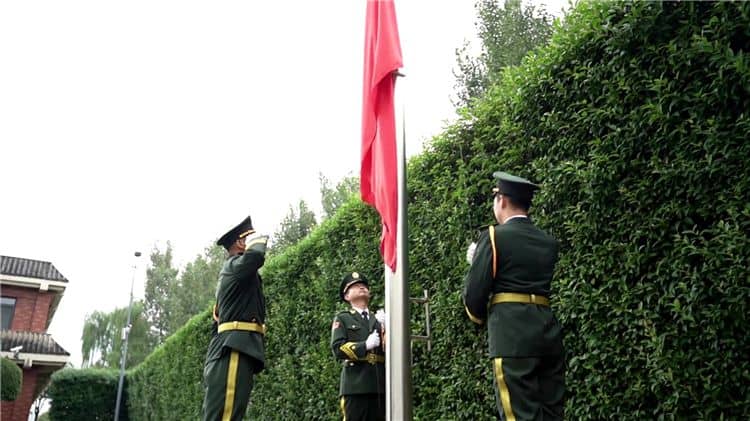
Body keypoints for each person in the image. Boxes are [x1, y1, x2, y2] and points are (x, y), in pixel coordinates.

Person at [462, 171, 565, 421]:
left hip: (511, 335)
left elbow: (475, 293)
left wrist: (478, 263)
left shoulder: (494, 236)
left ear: (503, 200)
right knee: (551, 413)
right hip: (548, 333)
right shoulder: (548, 241)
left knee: (517, 414)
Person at [202, 215, 269, 421]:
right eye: (249, 237)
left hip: (235, 345)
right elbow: (256, 255)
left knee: (231, 413)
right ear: (241, 242)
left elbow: (217, 322)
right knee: (226, 414)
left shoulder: (238, 274)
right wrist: (257, 240)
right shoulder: (234, 266)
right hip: (234, 346)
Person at [330, 272, 386, 421]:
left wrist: (387, 328)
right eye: (355, 286)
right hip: (356, 386)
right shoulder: (343, 318)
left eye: (364, 286)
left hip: (380, 385)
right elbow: (337, 348)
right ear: (347, 296)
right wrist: (364, 346)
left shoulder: (379, 318)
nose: (361, 287)